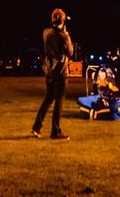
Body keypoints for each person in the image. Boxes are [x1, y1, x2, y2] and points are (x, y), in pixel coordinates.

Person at [31, 8, 73, 140]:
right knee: (59, 100)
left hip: (49, 71)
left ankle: (36, 127)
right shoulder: (63, 36)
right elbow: (70, 52)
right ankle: (55, 131)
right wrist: (67, 36)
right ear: (62, 20)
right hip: (60, 72)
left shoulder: (46, 33)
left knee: (48, 98)